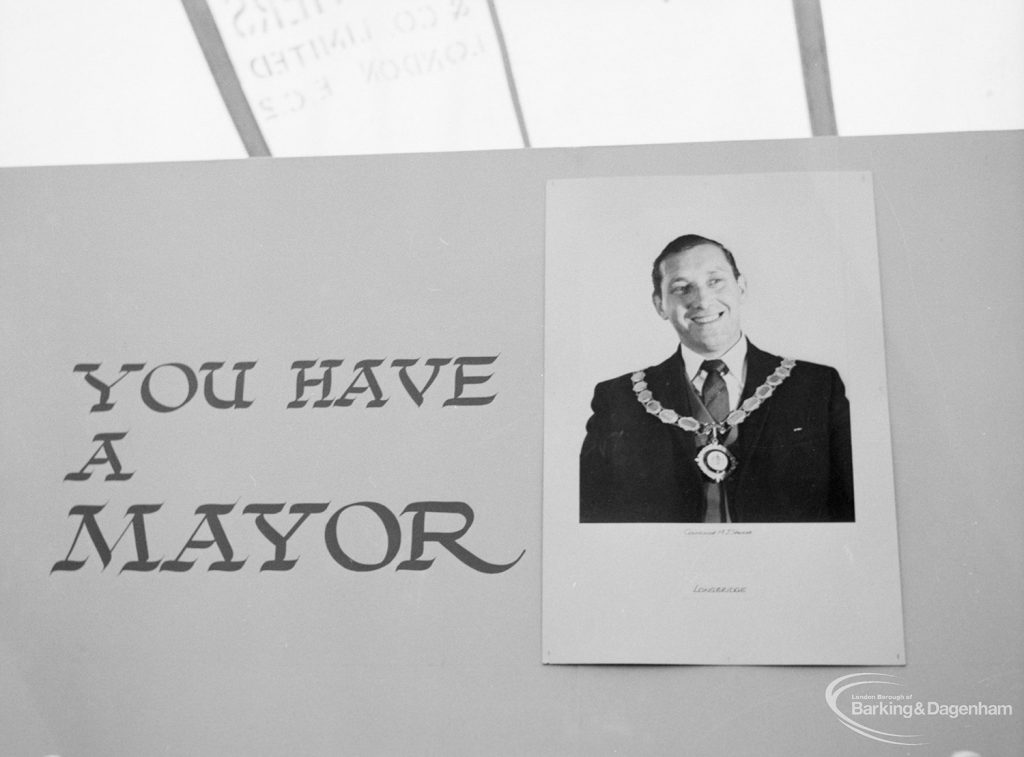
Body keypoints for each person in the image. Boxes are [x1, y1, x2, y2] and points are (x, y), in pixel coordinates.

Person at [579, 234, 854, 523]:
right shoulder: (619, 399)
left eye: (715, 281)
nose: (702, 300)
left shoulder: (816, 387)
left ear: (742, 287)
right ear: (660, 304)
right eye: (682, 288)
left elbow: (850, 508)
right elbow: (591, 516)